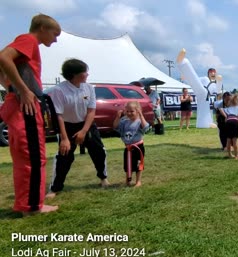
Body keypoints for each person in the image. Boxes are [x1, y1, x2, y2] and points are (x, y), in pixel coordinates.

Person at [0, 14, 61, 215]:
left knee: (22, 158)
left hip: (14, 104)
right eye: (55, 33)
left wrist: (11, 88)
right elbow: (3, 57)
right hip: (24, 107)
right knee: (33, 157)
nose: (56, 39)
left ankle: (25, 203)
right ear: (42, 28)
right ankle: (33, 206)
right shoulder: (28, 40)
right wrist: (24, 90)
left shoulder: (24, 43)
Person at [47, 59, 108, 198]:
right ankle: (55, 188)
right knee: (64, 156)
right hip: (67, 126)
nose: (87, 74)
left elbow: (91, 111)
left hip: (86, 124)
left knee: (98, 151)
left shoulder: (89, 88)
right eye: (84, 72)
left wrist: (84, 131)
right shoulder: (59, 90)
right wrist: (64, 139)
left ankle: (103, 178)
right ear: (74, 75)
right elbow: (58, 116)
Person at [113, 101, 149, 187]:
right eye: (127, 111)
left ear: (138, 111)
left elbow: (145, 127)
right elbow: (115, 127)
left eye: (132, 111)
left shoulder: (139, 121)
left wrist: (141, 115)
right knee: (127, 165)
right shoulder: (123, 121)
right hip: (128, 147)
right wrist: (118, 117)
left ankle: (138, 181)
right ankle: (128, 180)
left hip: (138, 147)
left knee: (138, 165)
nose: (129, 113)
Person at [219, 95, 238, 159]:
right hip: (235, 121)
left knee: (228, 139)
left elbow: (220, 109)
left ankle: (229, 154)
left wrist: (226, 116)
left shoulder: (227, 108)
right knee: (235, 140)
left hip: (228, 121)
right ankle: (236, 155)